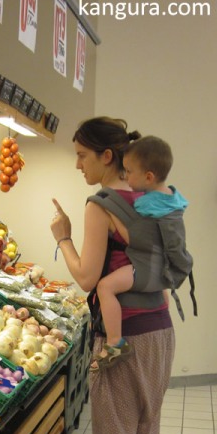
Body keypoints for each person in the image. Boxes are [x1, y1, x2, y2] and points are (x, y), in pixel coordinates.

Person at [50, 117, 175, 434]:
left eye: (82, 155)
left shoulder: (101, 204)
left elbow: (87, 278)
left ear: (106, 156)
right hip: (160, 330)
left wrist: (63, 238)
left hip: (124, 338)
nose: (78, 164)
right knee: (148, 426)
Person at [91, 135, 188, 371]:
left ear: (149, 176)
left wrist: (109, 209)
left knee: (105, 287)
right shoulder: (173, 199)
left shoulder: (146, 204)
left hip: (143, 267)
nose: (126, 178)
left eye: (129, 171)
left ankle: (115, 343)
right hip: (159, 269)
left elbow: (134, 236)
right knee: (157, 293)